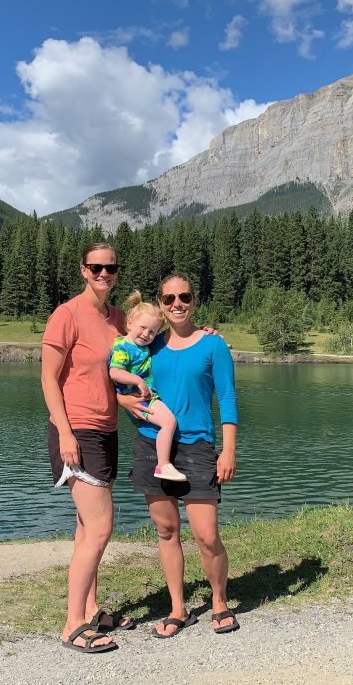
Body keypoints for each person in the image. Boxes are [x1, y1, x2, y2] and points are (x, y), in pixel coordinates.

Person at [120, 273, 240, 638]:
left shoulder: (213, 345)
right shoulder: (147, 345)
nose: (177, 304)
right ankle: (177, 608)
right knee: (167, 530)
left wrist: (229, 449)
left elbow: (229, 397)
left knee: (206, 534)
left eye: (184, 296)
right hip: (151, 445)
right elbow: (116, 379)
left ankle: (219, 601)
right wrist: (122, 400)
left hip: (198, 447)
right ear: (160, 303)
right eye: (169, 298)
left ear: (194, 299)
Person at [41, 242, 130, 654]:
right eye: (96, 267)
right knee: (100, 528)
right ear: (83, 270)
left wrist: (201, 333)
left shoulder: (117, 319)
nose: (103, 273)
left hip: (107, 430)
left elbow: (149, 344)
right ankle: (72, 623)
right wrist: (64, 432)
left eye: (110, 267)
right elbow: (47, 379)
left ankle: (91, 609)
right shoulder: (67, 314)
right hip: (76, 431)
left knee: (84, 528)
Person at [108, 291, 186, 482]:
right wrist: (138, 381)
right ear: (129, 324)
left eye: (152, 332)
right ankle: (163, 465)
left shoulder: (141, 347)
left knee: (159, 428)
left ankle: (150, 465)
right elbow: (114, 372)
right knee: (169, 422)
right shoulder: (123, 348)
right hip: (138, 398)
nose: (146, 334)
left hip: (142, 398)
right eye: (142, 328)